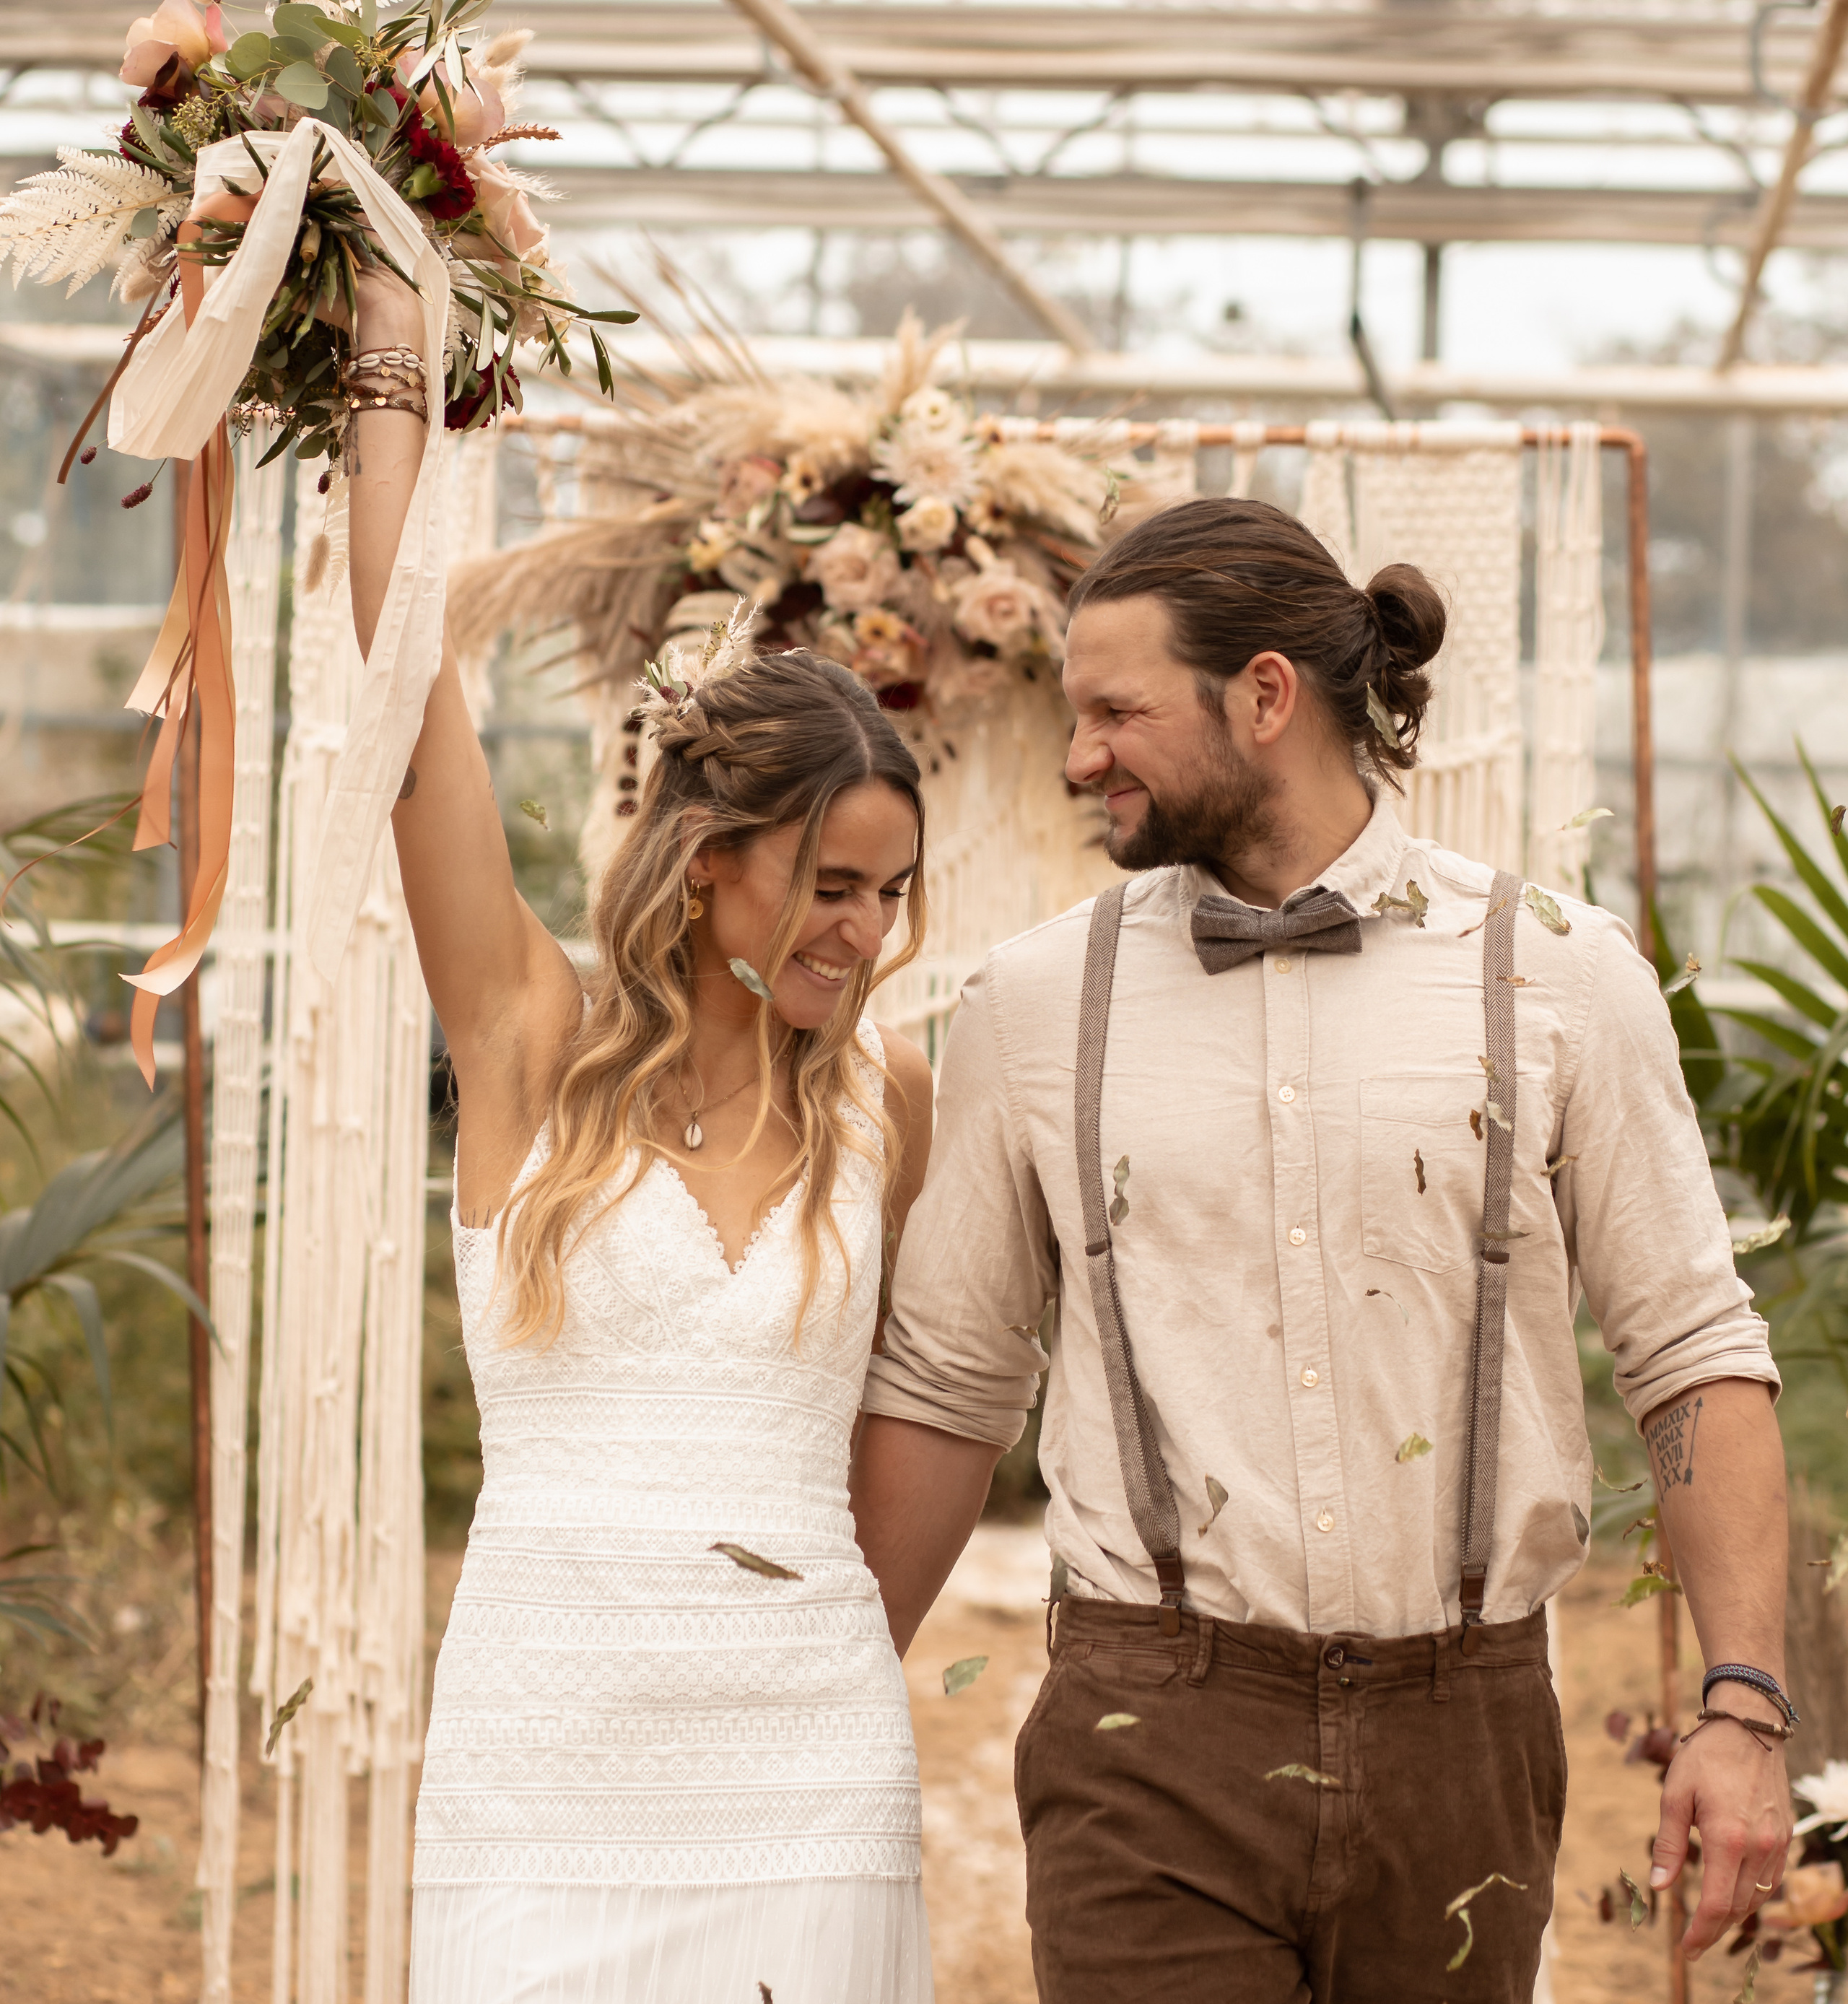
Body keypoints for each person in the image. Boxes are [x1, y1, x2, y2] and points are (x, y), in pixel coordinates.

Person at [849, 495, 1795, 2002]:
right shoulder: (1031, 1007)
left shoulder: (1557, 974)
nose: (1078, 755)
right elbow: (949, 1384)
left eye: (1115, 712)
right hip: (1145, 1729)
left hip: (1465, 1729)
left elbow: (1690, 1348)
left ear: (1266, 696)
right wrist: (826, 1698)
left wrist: (1742, 1706)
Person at [339, 273, 939, 2003]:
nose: (866, 932)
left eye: (892, 892)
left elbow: (921, 1418)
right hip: (543, 1764)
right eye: (831, 884)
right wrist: (385, 366)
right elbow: (406, 694)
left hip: (809, 1770)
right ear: (707, 858)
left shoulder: (887, 1097)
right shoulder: (527, 1038)